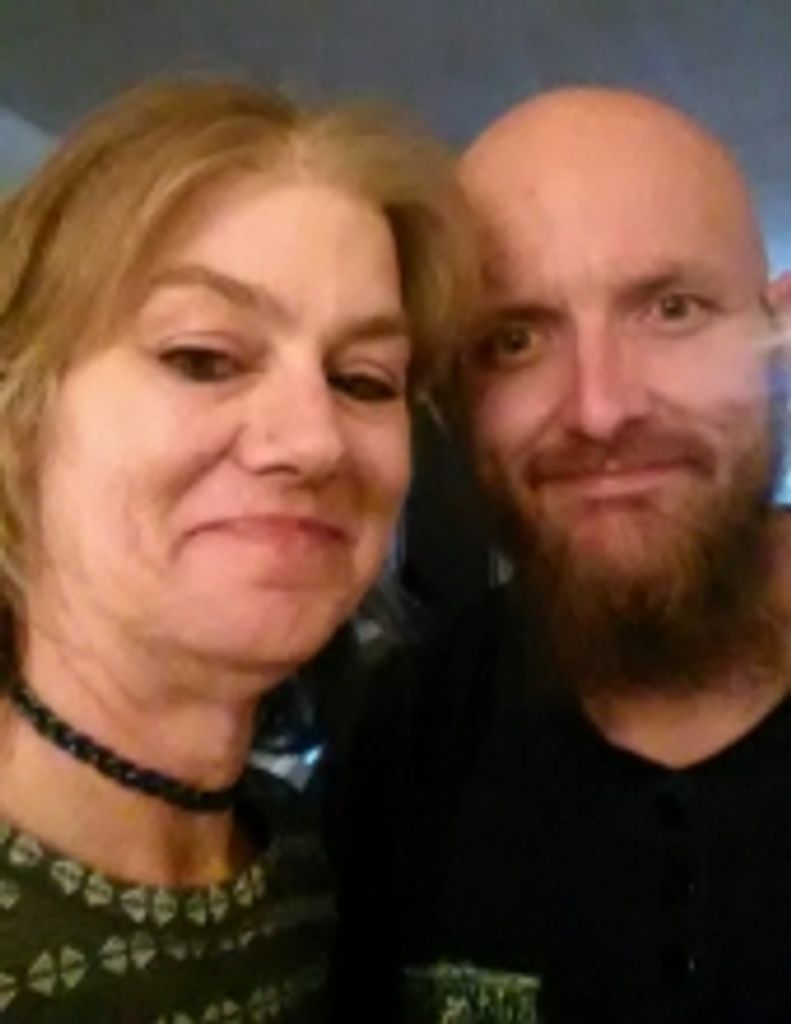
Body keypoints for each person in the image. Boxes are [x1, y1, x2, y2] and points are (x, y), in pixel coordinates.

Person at [0, 76, 476, 1022]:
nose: (315, 442)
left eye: (362, 379)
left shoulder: (319, 866)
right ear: (22, 417)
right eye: (204, 358)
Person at [332, 86, 791, 1023]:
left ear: (777, 337)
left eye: (670, 309)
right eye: (514, 340)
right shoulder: (404, 737)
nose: (599, 410)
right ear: (452, 398)